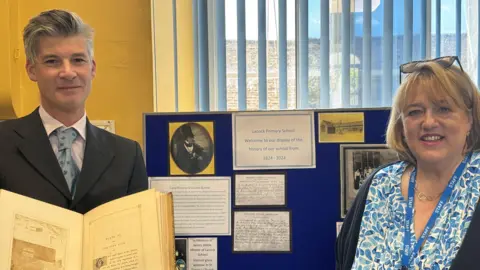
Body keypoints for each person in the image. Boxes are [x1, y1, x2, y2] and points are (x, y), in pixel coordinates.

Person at [336, 56, 480, 270]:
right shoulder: (380, 185)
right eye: (415, 112)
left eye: (443, 109)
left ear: (470, 119)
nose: (429, 122)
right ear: (402, 125)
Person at [0, 9, 148, 214]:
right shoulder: (3, 143)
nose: (68, 73)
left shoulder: (127, 155)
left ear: (92, 68)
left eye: (78, 60)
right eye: (52, 61)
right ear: (31, 70)